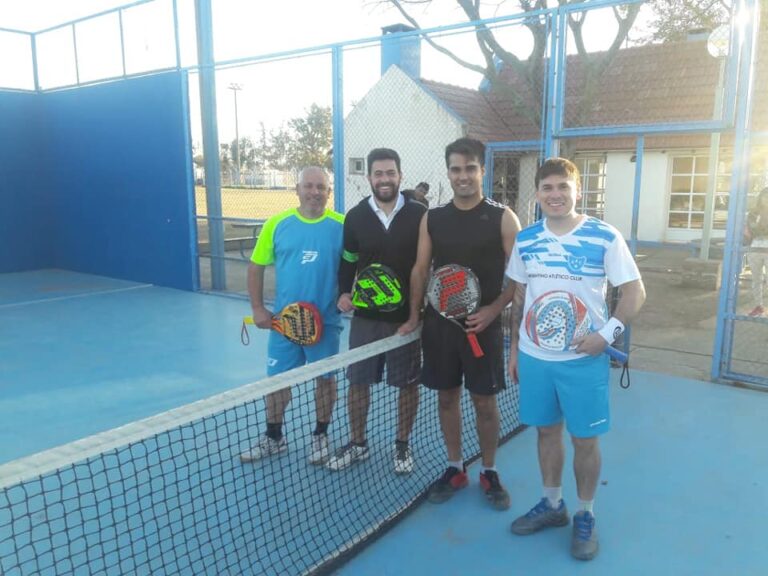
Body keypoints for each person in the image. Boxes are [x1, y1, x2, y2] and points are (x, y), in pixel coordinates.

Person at [505, 158, 646, 561]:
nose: (555, 194)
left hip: (583, 362)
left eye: (563, 187)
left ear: (577, 191)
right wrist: (515, 350)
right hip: (534, 360)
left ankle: (585, 513)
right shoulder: (527, 240)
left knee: (584, 439)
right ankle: (552, 505)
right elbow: (519, 297)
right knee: (546, 433)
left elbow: (635, 293)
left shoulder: (604, 236)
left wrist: (606, 336)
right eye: (547, 187)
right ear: (537, 194)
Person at [400, 137, 521, 510]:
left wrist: (494, 309)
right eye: (456, 169)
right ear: (448, 172)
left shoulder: (503, 217)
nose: (463, 176)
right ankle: (455, 467)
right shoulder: (432, 217)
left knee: (484, 403)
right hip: (440, 328)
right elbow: (421, 269)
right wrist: (413, 316)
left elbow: (519, 277)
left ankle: (489, 470)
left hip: (483, 328)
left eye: (470, 168)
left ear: (482, 170)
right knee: (446, 397)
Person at [327, 148, 426, 474]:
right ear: (369, 177)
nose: (385, 179)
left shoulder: (419, 213)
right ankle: (358, 443)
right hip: (366, 319)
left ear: (400, 175)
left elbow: (427, 263)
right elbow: (349, 260)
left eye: (390, 173)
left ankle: (402, 445)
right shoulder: (355, 217)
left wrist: (418, 310)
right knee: (358, 382)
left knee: (408, 384)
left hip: (405, 319)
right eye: (378, 174)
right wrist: (344, 291)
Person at [239, 166, 344, 465]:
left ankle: (320, 436)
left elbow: (356, 267)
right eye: (308, 186)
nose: (314, 192)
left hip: (326, 323)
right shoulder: (277, 224)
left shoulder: (342, 226)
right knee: (276, 381)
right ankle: (274, 437)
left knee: (325, 380)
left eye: (320, 188)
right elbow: (256, 266)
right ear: (296, 189)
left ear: (328, 192)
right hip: (284, 324)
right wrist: (258, 308)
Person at [744, 187, 768, 317]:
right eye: (764, 196)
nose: (766, 199)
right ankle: (759, 306)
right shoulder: (754, 212)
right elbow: (750, 230)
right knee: (756, 278)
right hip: (755, 246)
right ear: (761, 198)